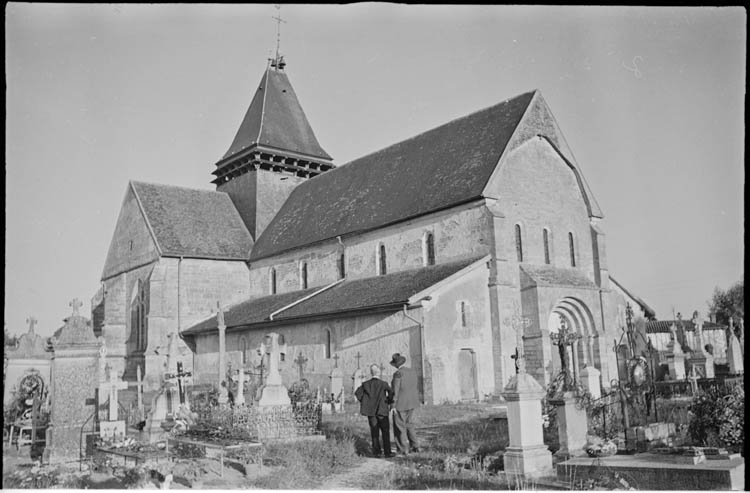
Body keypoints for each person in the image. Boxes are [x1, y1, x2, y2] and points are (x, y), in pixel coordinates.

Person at [355, 364, 394, 458]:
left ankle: (377, 452)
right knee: (385, 431)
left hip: (371, 411)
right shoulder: (383, 383)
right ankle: (387, 452)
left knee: (374, 431)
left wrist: (364, 401)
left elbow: (357, 393)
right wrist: (388, 401)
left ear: (371, 373)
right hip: (382, 410)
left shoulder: (366, 384)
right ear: (379, 372)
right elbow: (391, 392)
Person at [389, 353, 420, 454]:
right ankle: (415, 446)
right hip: (412, 401)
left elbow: (395, 390)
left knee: (399, 426)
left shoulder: (398, 374)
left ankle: (403, 450)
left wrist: (393, 405)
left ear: (396, 365)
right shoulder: (412, 371)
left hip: (401, 403)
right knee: (409, 424)